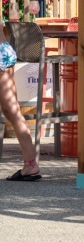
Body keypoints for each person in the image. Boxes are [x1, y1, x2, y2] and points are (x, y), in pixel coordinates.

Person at [0, 26, 39, 180]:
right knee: (11, 111)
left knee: (12, 111)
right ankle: (30, 164)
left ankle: (30, 164)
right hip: (4, 50)